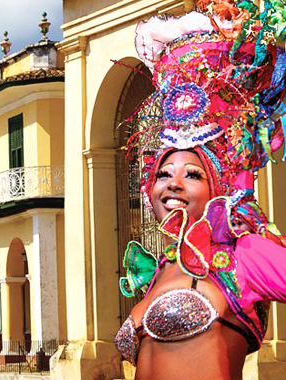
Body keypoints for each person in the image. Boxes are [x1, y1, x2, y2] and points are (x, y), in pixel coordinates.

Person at [115, 3, 286, 380]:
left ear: (218, 186)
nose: (172, 183)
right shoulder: (163, 265)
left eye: (192, 174)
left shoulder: (244, 255)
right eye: (163, 173)